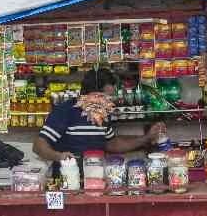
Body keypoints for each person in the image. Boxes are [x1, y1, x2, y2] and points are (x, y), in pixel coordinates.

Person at [32, 67, 165, 163]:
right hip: (68, 178)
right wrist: (58, 156)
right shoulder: (65, 110)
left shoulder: (102, 114)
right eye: (106, 97)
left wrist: (147, 138)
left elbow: (112, 144)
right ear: (92, 95)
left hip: (96, 176)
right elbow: (39, 145)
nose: (109, 101)